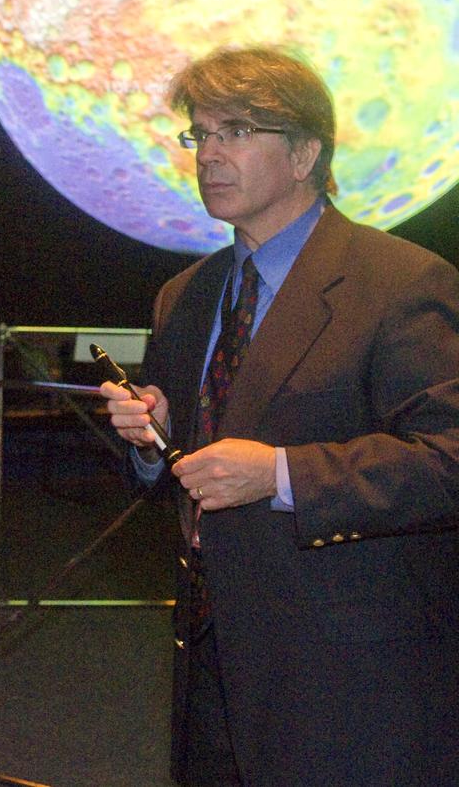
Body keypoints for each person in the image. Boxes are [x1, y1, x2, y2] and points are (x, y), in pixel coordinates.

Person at [100, 46, 459, 786]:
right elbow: (185, 470)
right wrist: (150, 440)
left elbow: (449, 458)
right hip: (210, 659)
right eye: (201, 134)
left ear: (304, 154)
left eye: (236, 132)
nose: (209, 155)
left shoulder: (401, 283)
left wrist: (283, 474)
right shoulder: (185, 295)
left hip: (346, 677)